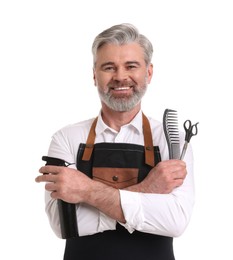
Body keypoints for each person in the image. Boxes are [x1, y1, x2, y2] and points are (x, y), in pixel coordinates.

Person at [35, 23, 195, 260]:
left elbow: (175, 220)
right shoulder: (66, 138)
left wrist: (86, 192)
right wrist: (146, 190)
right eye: (109, 67)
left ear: (148, 73)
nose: (120, 77)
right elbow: (64, 225)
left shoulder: (171, 139)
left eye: (131, 66)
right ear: (94, 75)